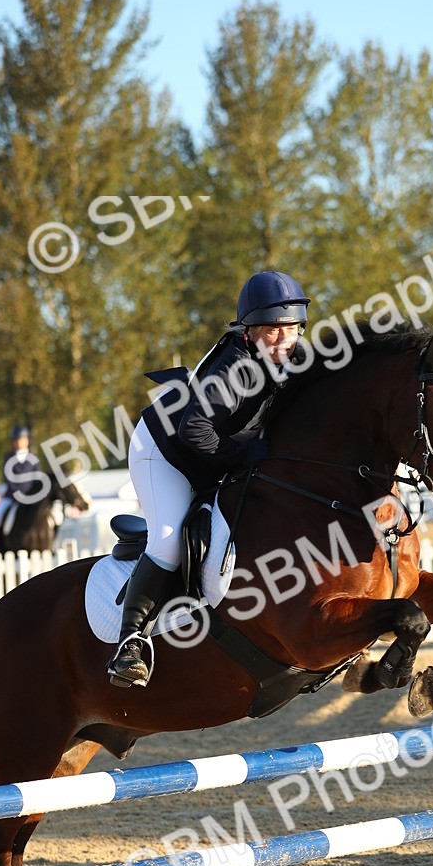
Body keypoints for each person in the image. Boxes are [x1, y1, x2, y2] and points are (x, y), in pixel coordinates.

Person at [107, 270, 311, 688]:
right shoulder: (233, 371)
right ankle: (129, 642)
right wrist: (243, 453)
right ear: (249, 332)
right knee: (167, 536)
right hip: (164, 452)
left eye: (291, 329)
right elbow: (194, 432)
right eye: (272, 330)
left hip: (215, 451)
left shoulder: (293, 356)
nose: (283, 340)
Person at [0, 426, 44, 528]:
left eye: (22, 439)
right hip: (12, 496)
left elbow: (38, 479)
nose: (19, 442)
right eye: (17, 440)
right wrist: (18, 495)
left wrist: (31, 495)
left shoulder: (34, 458)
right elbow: (8, 479)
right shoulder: (8, 458)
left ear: (27, 440)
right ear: (14, 442)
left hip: (31, 497)